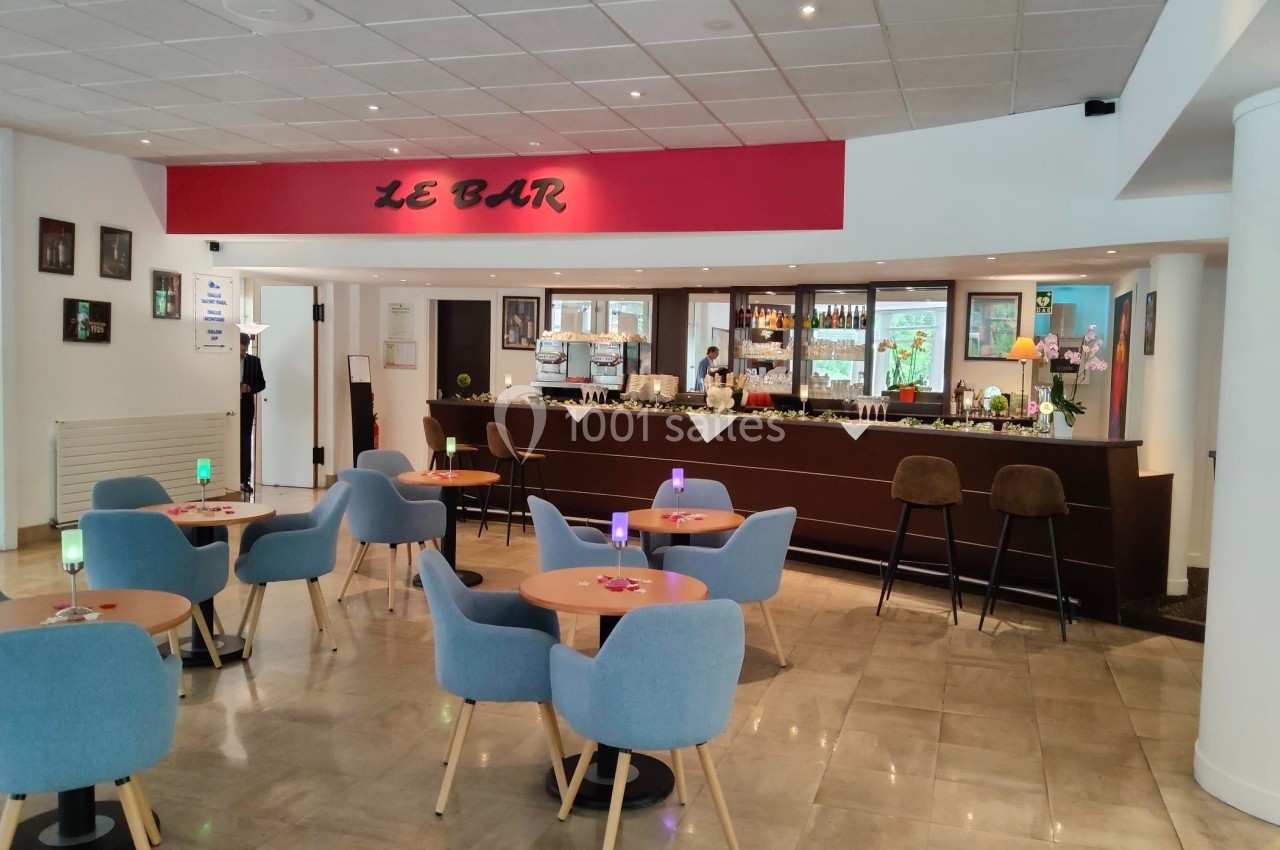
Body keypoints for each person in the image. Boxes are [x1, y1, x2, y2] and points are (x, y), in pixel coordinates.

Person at [239, 333, 266, 492]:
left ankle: (244, 480)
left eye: (245, 349)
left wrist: (249, 388)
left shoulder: (254, 362)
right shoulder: (224, 359)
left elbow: (261, 383)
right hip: (228, 407)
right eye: (240, 349)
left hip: (246, 407)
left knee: (245, 443)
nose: (242, 352)